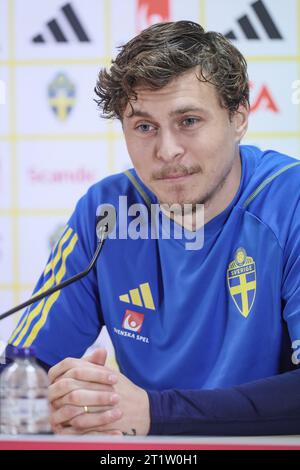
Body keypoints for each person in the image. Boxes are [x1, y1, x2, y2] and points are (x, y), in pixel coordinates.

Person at [5, 20, 300, 436]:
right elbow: (22, 371)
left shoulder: (290, 200)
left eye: (189, 121)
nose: (167, 150)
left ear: (239, 117)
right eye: (145, 127)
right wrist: (52, 400)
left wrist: (153, 412)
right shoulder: (105, 213)